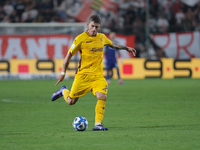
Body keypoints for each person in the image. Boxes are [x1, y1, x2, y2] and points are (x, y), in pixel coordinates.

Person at [51, 14, 136, 131]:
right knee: (71, 101)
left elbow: (113, 44)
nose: (94, 29)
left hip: (97, 77)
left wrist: (126, 48)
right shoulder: (80, 39)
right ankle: (63, 90)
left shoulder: (102, 37)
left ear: (99, 26)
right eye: (92, 26)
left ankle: (98, 124)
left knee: (102, 96)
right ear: (88, 25)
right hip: (83, 76)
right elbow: (68, 56)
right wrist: (63, 72)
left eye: (96, 27)